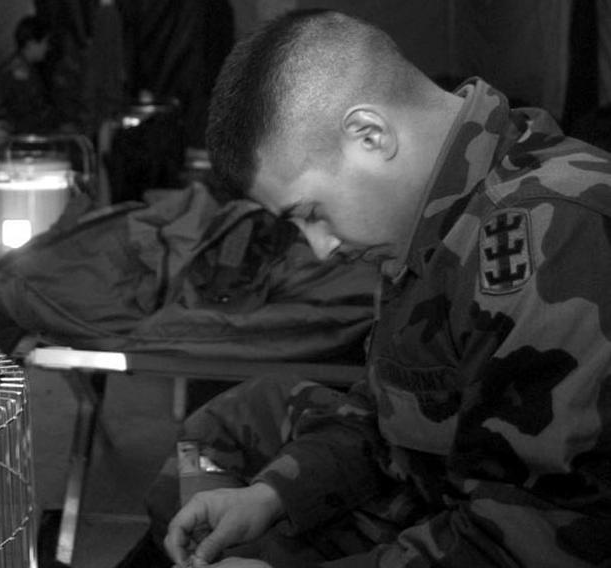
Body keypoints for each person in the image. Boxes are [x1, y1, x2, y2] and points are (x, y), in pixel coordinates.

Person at [122, 8, 611, 568]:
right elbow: (391, 417)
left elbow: (538, 537)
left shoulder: (553, 233)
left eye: (311, 212)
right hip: (441, 504)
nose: (321, 247)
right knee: (220, 453)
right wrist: (274, 494)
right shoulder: (436, 216)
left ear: (370, 135)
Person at [0, 15, 76, 134]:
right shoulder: (10, 74)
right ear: (31, 43)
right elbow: (0, 116)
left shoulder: (30, 68)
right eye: (45, 42)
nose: (47, 48)